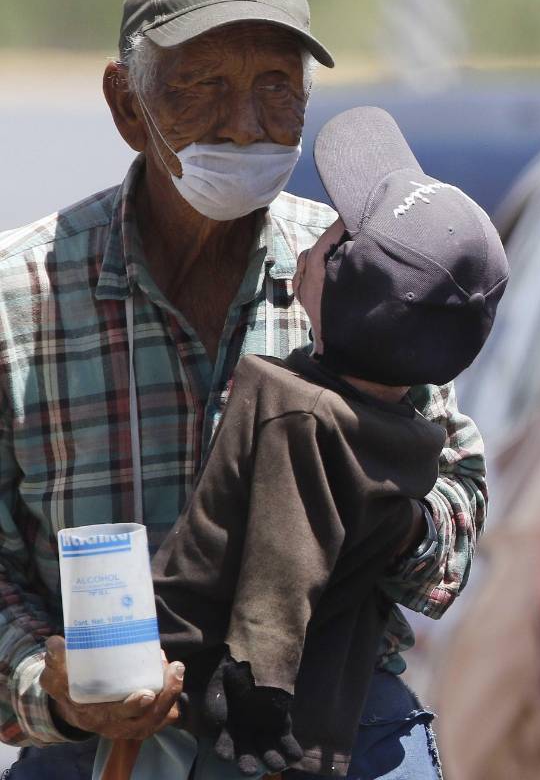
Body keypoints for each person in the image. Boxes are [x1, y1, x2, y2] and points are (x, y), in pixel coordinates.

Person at [0, 0, 489, 778]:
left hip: (330, 726)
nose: (245, 124)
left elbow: (457, 510)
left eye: (277, 87)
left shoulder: (357, 273)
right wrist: (52, 690)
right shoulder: (18, 300)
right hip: (97, 744)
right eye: (203, 86)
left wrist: (390, 522)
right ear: (128, 108)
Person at [91, 107, 507, 779]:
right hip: (330, 715)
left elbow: (282, 559)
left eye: (332, 237)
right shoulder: (408, 427)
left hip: (209, 698)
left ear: (334, 286)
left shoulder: (293, 409)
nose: (309, 246)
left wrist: (256, 680)